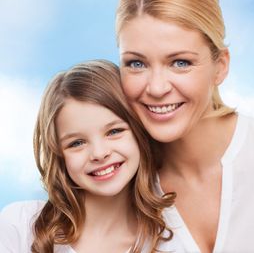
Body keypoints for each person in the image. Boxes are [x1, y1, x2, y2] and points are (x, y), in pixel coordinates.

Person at [115, 0, 254, 253]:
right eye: (136, 64)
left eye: (180, 62)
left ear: (221, 66)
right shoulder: (115, 185)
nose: (156, 88)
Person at [0, 60, 181, 253]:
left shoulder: (171, 240)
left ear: (139, 131)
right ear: (59, 155)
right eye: (77, 143)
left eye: (114, 131)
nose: (99, 153)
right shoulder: (21, 226)